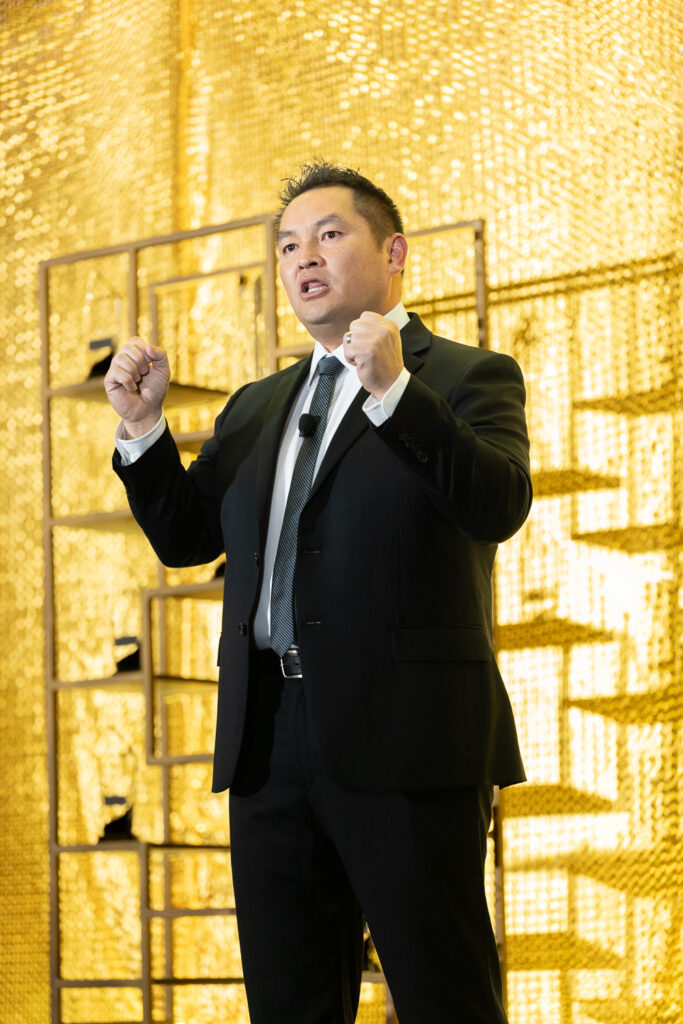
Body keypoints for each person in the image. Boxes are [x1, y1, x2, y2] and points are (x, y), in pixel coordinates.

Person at [104, 161, 532, 1024]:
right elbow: (190, 538)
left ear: (393, 251)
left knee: (443, 995)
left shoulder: (464, 376)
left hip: (407, 742)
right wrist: (145, 429)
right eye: (289, 244)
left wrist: (393, 392)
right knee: (291, 1002)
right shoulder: (257, 405)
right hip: (268, 744)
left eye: (330, 235)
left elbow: (496, 506)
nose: (305, 257)